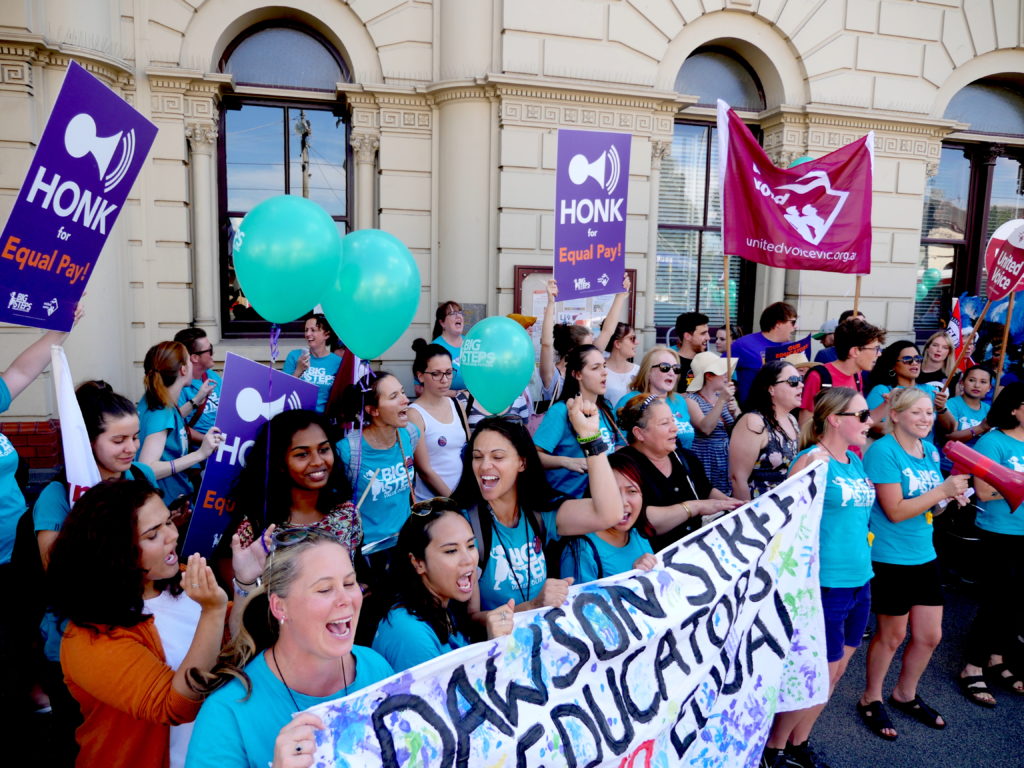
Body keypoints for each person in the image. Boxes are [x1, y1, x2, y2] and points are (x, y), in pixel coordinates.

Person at [47, 480, 229, 768]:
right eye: (153, 534)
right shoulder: (90, 637)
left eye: (168, 521)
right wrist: (212, 612)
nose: (172, 535)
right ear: (115, 551)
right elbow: (175, 707)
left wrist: (245, 580)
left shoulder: (178, 579)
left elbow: (232, 639)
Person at [186, 528, 394, 768]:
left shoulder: (376, 668)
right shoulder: (226, 713)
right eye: (325, 589)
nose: (346, 599)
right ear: (279, 607)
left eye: (349, 583)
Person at [762, 388, 876, 768]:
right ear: (834, 419)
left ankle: (799, 742)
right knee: (816, 674)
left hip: (860, 579)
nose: (869, 422)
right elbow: (786, 525)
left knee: (837, 670)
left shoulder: (854, 459)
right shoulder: (811, 461)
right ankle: (774, 749)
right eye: (861, 416)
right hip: (824, 584)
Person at [857, 388, 969, 740]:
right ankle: (870, 698)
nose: (925, 419)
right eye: (917, 413)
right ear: (896, 415)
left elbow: (926, 504)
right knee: (892, 636)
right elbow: (895, 510)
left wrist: (950, 498)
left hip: (924, 553)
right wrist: (942, 491)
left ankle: (905, 693)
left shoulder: (929, 450)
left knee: (930, 635)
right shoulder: (882, 452)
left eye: (928, 413)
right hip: (890, 556)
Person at [450, 411, 624, 613]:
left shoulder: (540, 514)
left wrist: (591, 438)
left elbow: (609, 514)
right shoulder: (463, 524)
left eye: (497, 456)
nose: (484, 466)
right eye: (477, 457)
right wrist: (532, 606)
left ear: (522, 463)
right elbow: (469, 620)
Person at [0, 306, 81, 726]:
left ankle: (31, 686)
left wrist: (60, 328)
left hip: (18, 546)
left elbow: (20, 370)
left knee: (24, 625)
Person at [372, 503, 513, 672]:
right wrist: (494, 648)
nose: (468, 559)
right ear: (418, 563)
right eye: (451, 551)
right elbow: (443, 696)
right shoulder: (409, 632)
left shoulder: (444, 603)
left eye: (470, 546)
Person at [957, 382, 1024, 707]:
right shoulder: (992, 442)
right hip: (999, 533)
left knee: (1016, 602)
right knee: (997, 600)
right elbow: (983, 491)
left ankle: (998, 658)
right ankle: (973, 665)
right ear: (1014, 409)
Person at [225, 410, 359, 559]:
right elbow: (238, 579)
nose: (318, 461)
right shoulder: (255, 527)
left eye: (323, 450)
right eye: (302, 454)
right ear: (279, 463)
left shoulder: (346, 514)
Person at [617, 395, 741, 552]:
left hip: (694, 554)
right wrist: (694, 507)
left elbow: (705, 490)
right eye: (664, 423)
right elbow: (640, 520)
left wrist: (732, 504)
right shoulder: (621, 468)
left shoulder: (686, 457)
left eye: (673, 420)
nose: (674, 428)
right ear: (639, 433)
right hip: (649, 562)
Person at [337, 373, 419, 551]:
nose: (405, 400)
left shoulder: (410, 435)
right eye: (394, 396)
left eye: (403, 392)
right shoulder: (348, 452)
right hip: (366, 551)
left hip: (405, 543)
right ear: (373, 410)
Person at [137, 341, 223, 510]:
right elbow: (147, 468)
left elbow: (169, 422)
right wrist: (200, 454)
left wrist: (196, 400)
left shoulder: (155, 400)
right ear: (183, 369)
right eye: (189, 361)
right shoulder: (161, 411)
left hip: (167, 502)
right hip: (166, 505)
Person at [535, 345, 624, 498]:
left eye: (604, 366)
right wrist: (567, 462)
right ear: (577, 374)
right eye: (595, 368)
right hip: (568, 501)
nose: (604, 372)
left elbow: (615, 446)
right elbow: (533, 456)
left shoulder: (606, 407)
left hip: (603, 495)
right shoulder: (560, 411)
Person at [558, 451, 659, 584]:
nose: (623, 502)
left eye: (632, 491)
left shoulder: (638, 534)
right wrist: (633, 577)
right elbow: (581, 602)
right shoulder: (582, 550)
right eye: (613, 492)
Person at [539, 276, 628, 405]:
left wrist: (620, 296)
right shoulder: (553, 377)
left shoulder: (590, 363)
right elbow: (546, 345)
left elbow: (607, 331)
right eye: (588, 346)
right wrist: (551, 303)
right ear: (571, 350)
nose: (594, 350)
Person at [730, 361, 803, 502]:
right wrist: (749, 517)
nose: (801, 385)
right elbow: (737, 479)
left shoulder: (791, 419)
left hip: (789, 509)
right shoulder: (753, 422)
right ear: (771, 389)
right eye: (793, 381)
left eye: (800, 379)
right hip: (761, 512)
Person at [408, 341, 469, 500]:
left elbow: (467, 449)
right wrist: (454, 501)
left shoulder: (457, 405)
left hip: (464, 494)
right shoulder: (414, 414)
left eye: (449, 372)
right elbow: (425, 470)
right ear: (420, 375)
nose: (444, 380)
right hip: (433, 503)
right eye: (436, 374)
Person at [799, 318, 886, 428]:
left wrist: (887, 403)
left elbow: (863, 420)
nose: (879, 354)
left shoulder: (856, 375)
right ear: (855, 351)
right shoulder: (819, 376)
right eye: (875, 349)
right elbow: (805, 426)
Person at [615, 346, 696, 452]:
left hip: (681, 465)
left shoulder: (679, 401)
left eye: (676, 368)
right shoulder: (631, 401)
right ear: (648, 372)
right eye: (665, 367)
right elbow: (621, 446)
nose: (671, 373)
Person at [685, 351, 739, 495]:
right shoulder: (692, 400)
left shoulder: (724, 397)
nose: (727, 375)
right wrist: (721, 401)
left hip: (726, 457)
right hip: (706, 459)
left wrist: (736, 411)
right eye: (722, 372)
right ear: (708, 375)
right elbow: (705, 428)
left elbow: (739, 431)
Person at [866, 341, 948, 433]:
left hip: (926, 447)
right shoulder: (882, 390)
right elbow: (871, 425)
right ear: (892, 365)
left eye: (918, 359)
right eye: (907, 360)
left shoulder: (931, 390)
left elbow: (949, 429)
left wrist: (942, 409)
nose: (914, 363)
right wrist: (910, 428)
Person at [731, 302, 798, 404]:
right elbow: (721, 372)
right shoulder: (743, 344)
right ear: (778, 323)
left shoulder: (792, 347)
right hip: (752, 407)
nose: (796, 327)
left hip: (785, 408)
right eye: (793, 322)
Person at [283, 314, 343, 413]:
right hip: (296, 416)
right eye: (306, 330)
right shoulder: (294, 356)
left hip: (323, 420)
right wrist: (298, 370)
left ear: (326, 334)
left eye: (313, 330)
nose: (308, 334)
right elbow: (283, 390)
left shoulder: (337, 362)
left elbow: (338, 395)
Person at [173, 328, 221, 443]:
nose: (213, 353)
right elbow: (177, 425)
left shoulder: (212, 375)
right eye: (209, 350)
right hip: (200, 452)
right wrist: (208, 441)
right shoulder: (179, 386)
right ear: (194, 357)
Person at [432, 300, 467, 392]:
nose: (458, 316)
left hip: (475, 399)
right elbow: (425, 388)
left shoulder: (471, 342)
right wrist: (456, 394)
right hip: (448, 401)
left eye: (460, 313)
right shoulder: (435, 348)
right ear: (442, 323)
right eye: (452, 313)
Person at [604, 322, 640, 407]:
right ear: (617, 344)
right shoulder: (600, 370)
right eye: (632, 338)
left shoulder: (638, 370)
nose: (637, 342)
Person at [673, 311, 710, 389]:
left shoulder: (708, 362)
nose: (708, 338)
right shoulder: (672, 364)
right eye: (703, 333)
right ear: (687, 336)